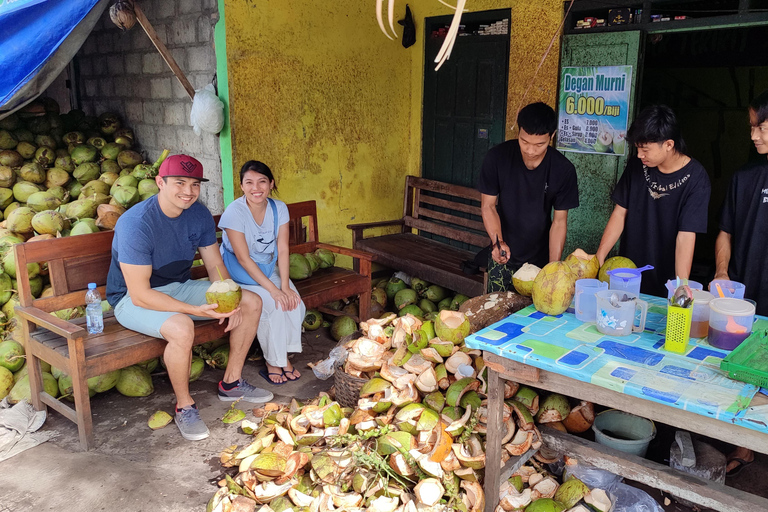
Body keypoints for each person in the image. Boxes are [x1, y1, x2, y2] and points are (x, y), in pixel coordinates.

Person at [106, 154, 273, 442]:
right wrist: (195, 309)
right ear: (160, 182)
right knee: (182, 326)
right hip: (131, 300)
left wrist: (229, 300)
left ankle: (231, 382)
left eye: (194, 184)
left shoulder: (199, 214)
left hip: (179, 286)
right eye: (179, 183)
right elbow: (140, 294)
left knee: (252, 301)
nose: (188, 191)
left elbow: (214, 267)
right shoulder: (136, 223)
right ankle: (185, 406)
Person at [595, 105, 711, 297]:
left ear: (668, 144)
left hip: (667, 279)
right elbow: (619, 212)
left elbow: (686, 235)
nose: (640, 155)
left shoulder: (696, 178)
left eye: (645, 150)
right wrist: (600, 256)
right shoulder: (636, 166)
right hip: (629, 275)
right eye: (638, 149)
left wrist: (681, 283)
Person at [713, 89, 768, 476]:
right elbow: (725, 232)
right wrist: (721, 271)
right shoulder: (745, 177)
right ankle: (745, 447)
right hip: (749, 297)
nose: (754, 135)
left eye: (761, 126)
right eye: (752, 126)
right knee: (748, 373)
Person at [218, 161, 305, 385]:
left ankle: (283, 356)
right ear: (241, 186)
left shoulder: (279, 208)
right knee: (273, 305)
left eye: (262, 182)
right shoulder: (234, 213)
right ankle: (273, 363)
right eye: (249, 182)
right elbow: (243, 258)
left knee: (295, 302)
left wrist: (284, 286)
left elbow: (283, 248)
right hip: (239, 272)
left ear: (271, 183)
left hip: (267, 267)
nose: (256, 188)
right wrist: (274, 290)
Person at [477, 102, 579, 292]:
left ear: (552, 136)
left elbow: (559, 222)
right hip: (503, 257)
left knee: (539, 316)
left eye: (540, 144)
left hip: (540, 261)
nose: (531, 151)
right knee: (496, 313)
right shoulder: (497, 158)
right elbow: (488, 206)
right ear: (519, 131)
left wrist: (552, 268)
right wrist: (497, 243)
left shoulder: (563, 170)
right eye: (524, 142)